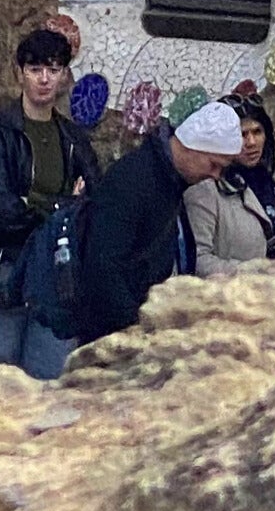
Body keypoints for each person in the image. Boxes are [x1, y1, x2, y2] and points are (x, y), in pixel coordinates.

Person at [0, 27, 100, 375]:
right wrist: (63, 205)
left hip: (52, 280)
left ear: (65, 75)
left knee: (47, 393)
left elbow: (94, 202)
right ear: (20, 73)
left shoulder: (73, 138)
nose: (44, 79)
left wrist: (34, 202)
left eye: (53, 69)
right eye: (36, 70)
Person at [75, 99, 244, 341]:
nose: (215, 175)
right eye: (213, 164)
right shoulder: (134, 179)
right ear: (191, 147)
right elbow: (104, 264)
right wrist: (135, 327)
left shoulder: (170, 180)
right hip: (112, 329)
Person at [184, 93, 275, 273]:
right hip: (241, 293)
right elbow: (198, 260)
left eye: (257, 132)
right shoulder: (205, 189)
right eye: (242, 134)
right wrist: (252, 274)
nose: (251, 142)